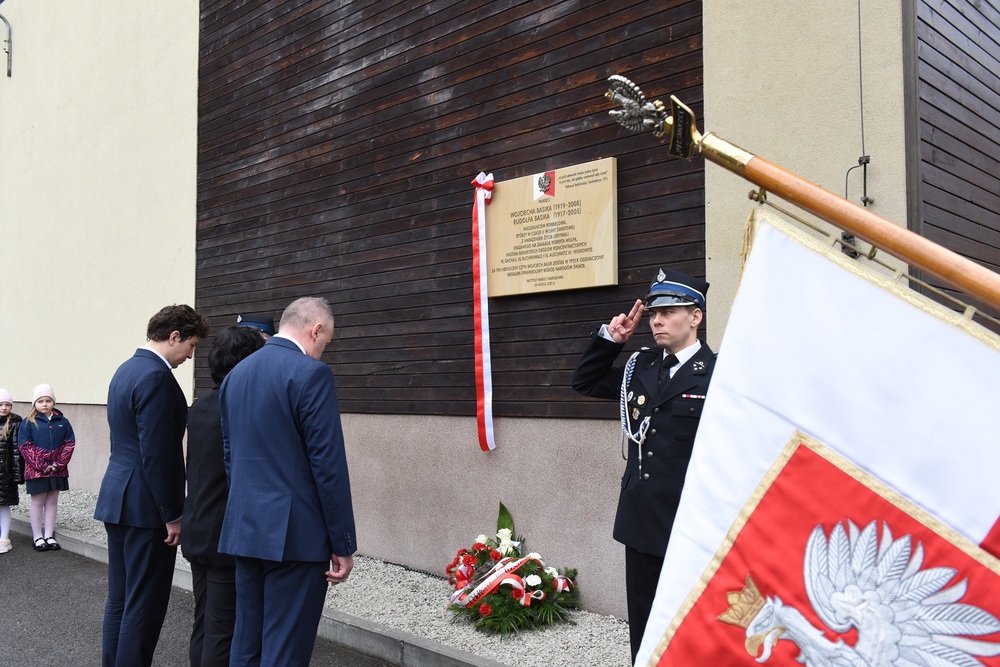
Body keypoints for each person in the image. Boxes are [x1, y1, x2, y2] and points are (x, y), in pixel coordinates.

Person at [572, 267, 716, 663]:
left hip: (691, 523)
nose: (657, 320)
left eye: (669, 312)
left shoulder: (719, 374)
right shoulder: (642, 367)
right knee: (644, 622)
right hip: (640, 519)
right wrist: (610, 341)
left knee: (693, 622)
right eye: (654, 313)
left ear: (696, 317)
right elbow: (585, 382)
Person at [219, 296, 356, 666]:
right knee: (285, 650)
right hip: (296, 536)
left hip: (245, 528)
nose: (322, 353)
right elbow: (327, 465)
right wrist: (342, 543)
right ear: (316, 330)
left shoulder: (236, 376)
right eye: (325, 343)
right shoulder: (310, 374)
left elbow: (230, 457)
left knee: (246, 643)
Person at [94, 304, 211, 667]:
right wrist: (172, 514)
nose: (190, 354)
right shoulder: (157, 378)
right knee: (143, 605)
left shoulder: (124, 370)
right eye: (191, 345)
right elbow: (159, 454)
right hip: (147, 506)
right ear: (174, 336)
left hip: (118, 496)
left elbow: (124, 442)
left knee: (121, 599)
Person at [181, 326, 265, 667]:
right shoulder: (239, 409)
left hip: (197, 525)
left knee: (204, 622)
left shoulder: (200, 406)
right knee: (222, 629)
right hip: (223, 535)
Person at [17, 384, 76, 552]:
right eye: (41, 401)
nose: (44, 404)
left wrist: (58, 464)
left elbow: (69, 443)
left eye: (48, 400)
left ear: (53, 402)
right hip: (37, 471)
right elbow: (24, 446)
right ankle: (37, 536)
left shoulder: (63, 422)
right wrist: (42, 465)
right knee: (37, 501)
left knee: (52, 501)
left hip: (57, 470)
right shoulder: (28, 422)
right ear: (35, 403)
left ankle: (49, 535)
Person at [0, 388, 23, 554]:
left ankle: (4, 539)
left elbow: (16, 451)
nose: (4, 408)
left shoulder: (15, 423)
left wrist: (16, 475)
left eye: (7, 404)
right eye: (1, 404)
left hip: (5, 474)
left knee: (4, 505)